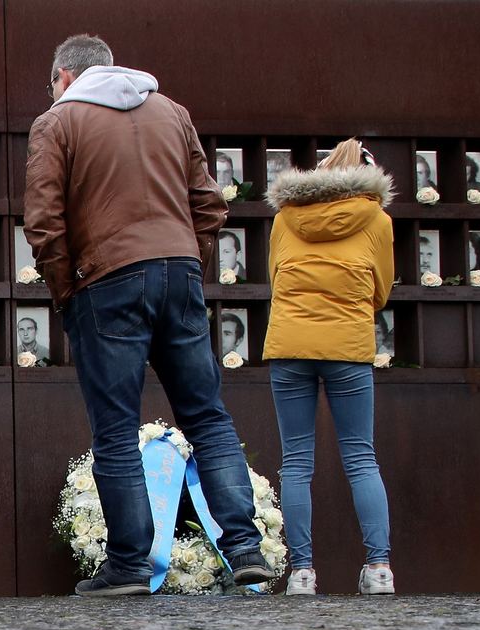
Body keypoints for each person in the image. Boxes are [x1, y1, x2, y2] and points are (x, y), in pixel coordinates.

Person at [26, 33, 274, 596]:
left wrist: (69, 292)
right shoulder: (172, 112)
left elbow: (44, 221)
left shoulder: (57, 123)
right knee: (208, 417)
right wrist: (188, 259)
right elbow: (209, 203)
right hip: (180, 272)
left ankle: (131, 567)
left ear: (64, 76)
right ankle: (244, 549)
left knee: (115, 429)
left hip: (106, 280)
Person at [264, 139, 396, 596]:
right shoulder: (377, 219)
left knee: (296, 462)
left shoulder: (284, 217)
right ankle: (378, 568)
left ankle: (301, 572)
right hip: (348, 345)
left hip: (290, 345)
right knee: (361, 458)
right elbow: (381, 291)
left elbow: (275, 277)